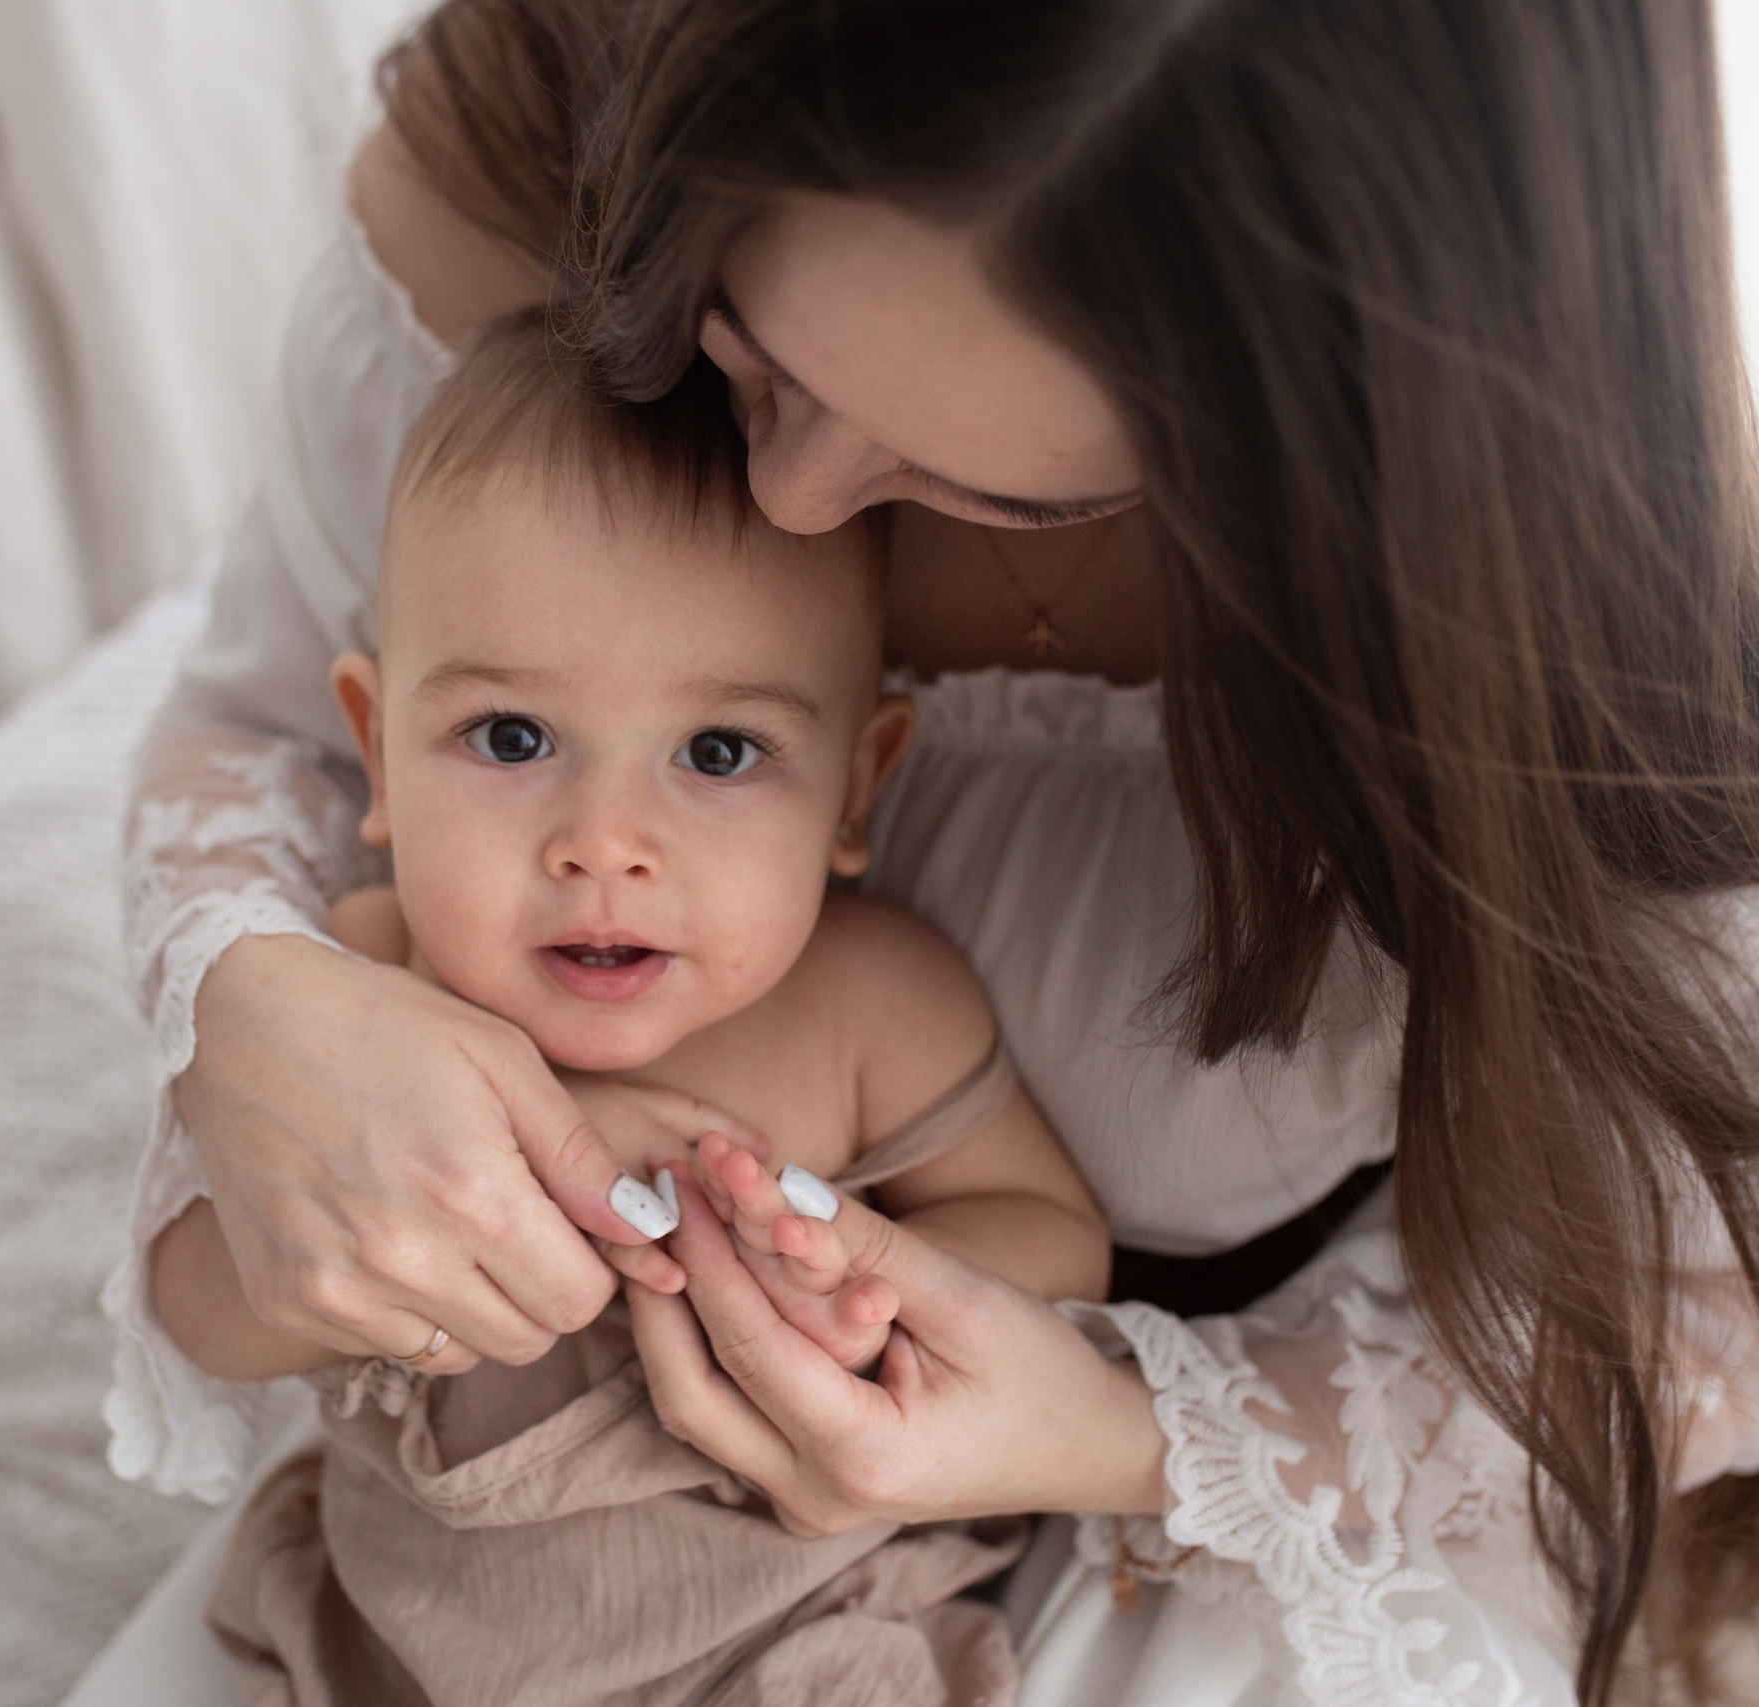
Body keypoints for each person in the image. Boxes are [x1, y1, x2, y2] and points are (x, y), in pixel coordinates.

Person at [102, 2, 1759, 1702]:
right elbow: (265, 738)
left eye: (1006, 488)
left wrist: (1104, 1416)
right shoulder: (521, 168)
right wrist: (250, 1013)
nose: (794, 508)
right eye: (748, 348)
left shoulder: (1564, 677)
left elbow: (1686, 1331)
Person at [160, 317, 1109, 1705]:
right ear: (376, 748)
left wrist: (860, 1283)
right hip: (392, 1644)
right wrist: (443, 1185)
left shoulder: (871, 1001)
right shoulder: (368, 988)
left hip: (792, 1632)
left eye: (719, 752)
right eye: (511, 738)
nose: (604, 842)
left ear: (854, 790)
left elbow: (1058, 1241)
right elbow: (199, 1302)